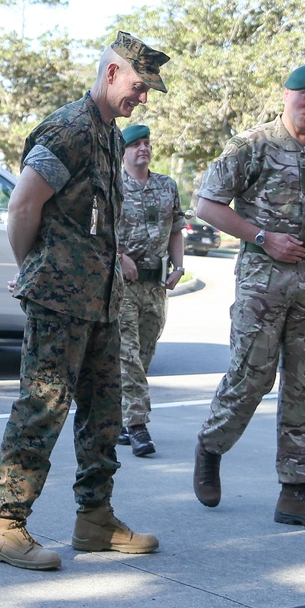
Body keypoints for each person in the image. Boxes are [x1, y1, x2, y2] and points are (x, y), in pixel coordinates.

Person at [0, 31, 170, 571]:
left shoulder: (108, 133)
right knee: (42, 407)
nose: (142, 97)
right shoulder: (68, 129)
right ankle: (6, 524)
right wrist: (36, 274)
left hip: (102, 301)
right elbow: (22, 209)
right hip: (60, 301)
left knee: (104, 412)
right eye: (138, 86)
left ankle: (95, 519)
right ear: (111, 73)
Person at [193, 64, 305, 531]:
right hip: (262, 277)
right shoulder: (252, 145)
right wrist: (261, 236)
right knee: (251, 376)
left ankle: (295, 492)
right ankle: (211, 447)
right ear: (287, 94)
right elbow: (206, 205)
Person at [116, 124, 186, 456]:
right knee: (127, 356)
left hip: (155, 286)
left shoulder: (166, 186)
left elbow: (175, 229)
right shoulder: (112, 186)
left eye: (146, 143)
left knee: (143, 356)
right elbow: (96, 232)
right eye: (135, 145)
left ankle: (118, 418)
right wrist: (119, 257)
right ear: (123, 152)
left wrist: (179, 266)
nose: (143, 149)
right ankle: (138, 426)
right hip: (123, 286)